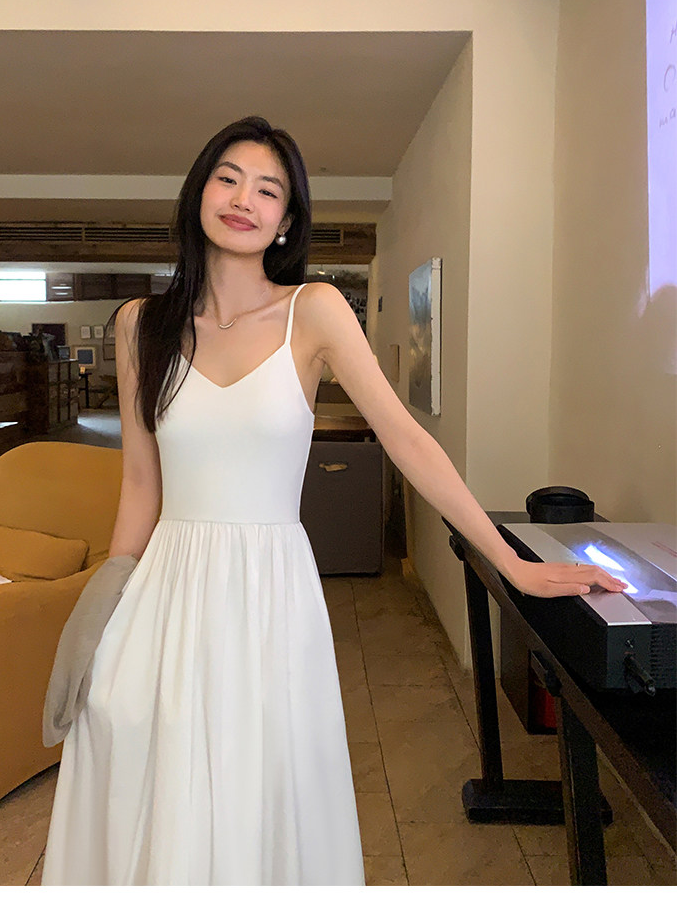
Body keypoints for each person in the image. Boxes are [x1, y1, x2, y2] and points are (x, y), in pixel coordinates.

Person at [41, 116, 626, 886]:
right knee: (150, 764)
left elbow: (407, 439)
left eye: (268, 189)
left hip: (270, 593)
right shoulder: (138, 326)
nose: (244, 198)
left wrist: (511, 562)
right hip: (168, 589)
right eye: (228, 178)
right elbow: (142, 484)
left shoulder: (311, 310)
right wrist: (103, 602)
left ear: (287, 220)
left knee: (262, 785)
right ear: (198, 192)